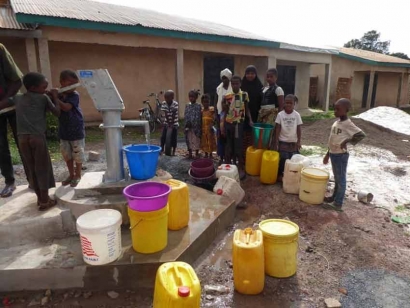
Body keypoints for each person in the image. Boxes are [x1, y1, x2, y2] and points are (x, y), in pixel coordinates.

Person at [0, 72, 60, 210]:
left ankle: (40, 199)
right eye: (44, 86)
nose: (46, 88)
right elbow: (57, 112)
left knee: (31, 167)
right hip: (37, 137)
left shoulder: (17, 97)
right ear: (33, 87)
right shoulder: (44, 98)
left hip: (22, 139)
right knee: (42, 167)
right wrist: (55, 97)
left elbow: (3, 104)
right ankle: (45, 201)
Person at [323, 98, 365, 212]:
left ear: (346, 110)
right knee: (337, 178)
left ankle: (338, 203)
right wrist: (327, 154)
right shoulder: (337, 122)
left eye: (338, 109)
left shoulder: (347, 123)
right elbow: (332, 140)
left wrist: (346, 141)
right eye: (334, 108)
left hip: (340, 156)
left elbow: (361, 134)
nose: (335, 111)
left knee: (341, 179)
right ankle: (334, 197)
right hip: (333, 153)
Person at [0, 43, 31, 197]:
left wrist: (5, 101)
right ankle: (9, 182)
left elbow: (18, 80)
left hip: (12, 106)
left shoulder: (0, 49)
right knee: (1, 148)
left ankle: (33, 179)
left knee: (24, 142)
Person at [51, 70, 85, 187]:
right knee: (67, 155)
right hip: (64, 130)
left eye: (74, 84)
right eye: (70, 83)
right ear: (62, 82)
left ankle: (78, 174)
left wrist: (56, 97)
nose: (72, 87)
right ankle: (71, 174)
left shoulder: (74, 95)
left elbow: (66, 107)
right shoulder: (59, 94)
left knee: (77, 153)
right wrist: (52, 95)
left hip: (76, 129)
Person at [222, 75, 252, 179]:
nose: (235, 85)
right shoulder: (227, 96)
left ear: (240, 84)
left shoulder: (244, 95)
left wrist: (250, 120)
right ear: (231, 84)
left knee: (238, 145)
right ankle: (228, 167)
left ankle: (240, 167)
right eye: (233, 83)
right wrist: (223, 125)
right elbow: (225, 111)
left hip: (239, 123)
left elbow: (247, 109)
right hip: (229, 123)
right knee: (229, 145)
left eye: (237, 83)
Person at [274, 94, 303, 181]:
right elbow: (278, 128)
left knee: (293, 159)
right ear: (284, 103)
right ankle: (280, 175)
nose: (288, 105)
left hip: (293, 142)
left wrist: (298, 141)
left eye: (291, 103)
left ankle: (290, 177)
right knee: (283, 159)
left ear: (294, 104)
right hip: (283, 141)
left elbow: (299, 129)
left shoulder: (297, 115)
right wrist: (276, 141)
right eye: (287, 103)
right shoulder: (280, 115)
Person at [241, 65, 263, 157]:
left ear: (256, 74)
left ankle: (252, 155)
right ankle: (243, 156)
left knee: (253, 136)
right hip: (242, 115)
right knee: (243, 136)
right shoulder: (241, 85)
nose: (250, 75)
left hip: (255, 114)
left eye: (252, 73)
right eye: (248, 73)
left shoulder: (259, 86)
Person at [215, 68, 232, 164]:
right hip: (220, 115)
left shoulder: (232, 88)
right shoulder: (218, 88)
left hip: (230, 115)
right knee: (220, 136)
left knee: (228, 137)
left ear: (229, 78)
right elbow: (215, 102)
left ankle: (228, 157)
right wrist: (216, 115)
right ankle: (221, 157)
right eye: (223, 78)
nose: (224, 80)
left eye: (226, 78)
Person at [184, 90, 202, 159]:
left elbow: (199, 116)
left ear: (196, 97)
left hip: (196, 127)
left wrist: (195, 124)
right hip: (188, 127)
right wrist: (187, 124)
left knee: (196, 139)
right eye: (190, 97)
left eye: (192, 97)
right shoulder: (187, 106)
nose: (191, 98)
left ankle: (197, 153)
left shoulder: (198, 106)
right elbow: (186, 115)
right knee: (189, 139)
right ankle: (190, 153)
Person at [160, 90, 179, 156]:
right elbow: (165, 113)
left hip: (174, 122)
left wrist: (172, 124)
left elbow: (174, 113)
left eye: (168, 98)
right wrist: (167, 123)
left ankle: (174, 151)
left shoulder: (175, 103)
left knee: (174, 137)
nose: (166, 99)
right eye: (165, 98)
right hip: (166, 122)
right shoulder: (164, 103)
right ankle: (162, 149)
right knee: (163, 136)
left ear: (172, 97)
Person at [201, 94, 216, 158]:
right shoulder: (201, 111)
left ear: (209, 102)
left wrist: (212, 124)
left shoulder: (212, 110)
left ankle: (211, 154)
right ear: (202, 102)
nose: (206, 103)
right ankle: (206, 153)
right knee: (205, 141)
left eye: (207, 102)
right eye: (204, 102)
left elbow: (214, 118)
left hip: (210, 129)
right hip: (204, 129)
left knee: (211, 141)